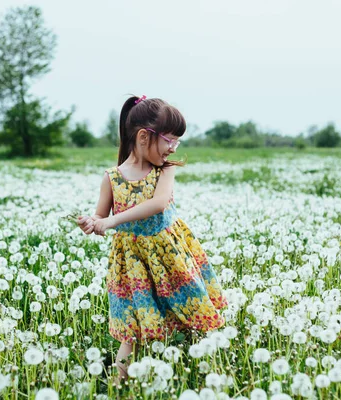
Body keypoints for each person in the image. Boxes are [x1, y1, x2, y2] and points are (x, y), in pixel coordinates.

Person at [77, 95, 228, 385]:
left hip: (169, 256)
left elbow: (158, 204)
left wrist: (111, 221)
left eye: (177, 142)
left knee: (193, 311)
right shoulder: (111, 178)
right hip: (133, 264)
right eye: (170, 140)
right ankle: (117, 386)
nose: (173, 148)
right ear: (145, 136)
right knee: (132, 327)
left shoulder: (164, 170)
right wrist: (92, 223)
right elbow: (100, 218)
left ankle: (214, 377)